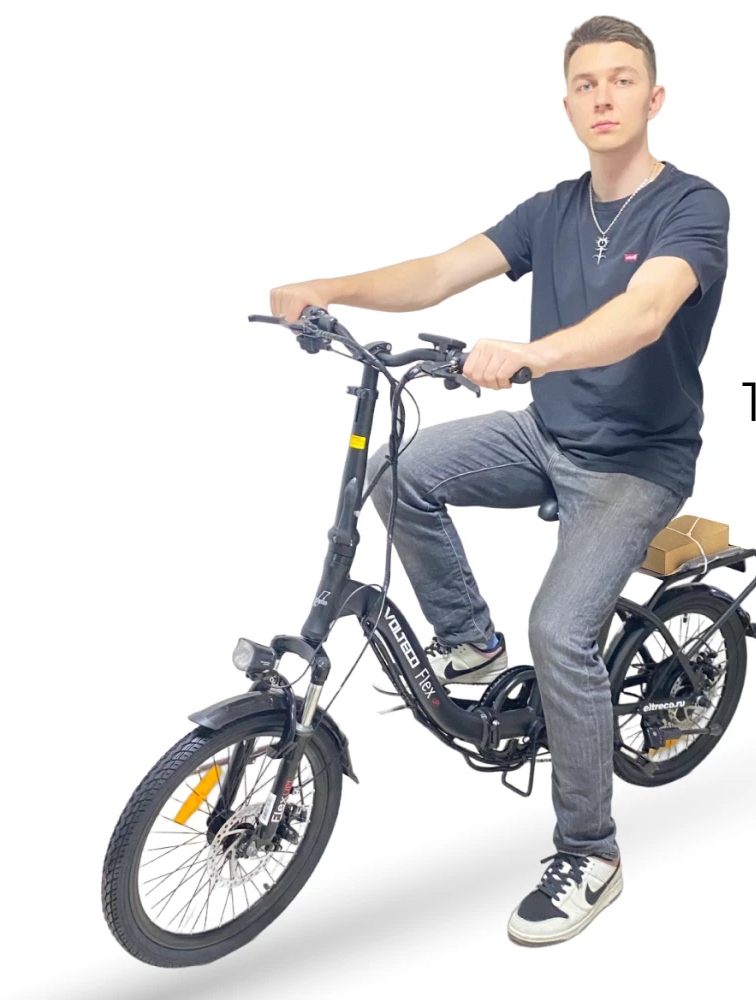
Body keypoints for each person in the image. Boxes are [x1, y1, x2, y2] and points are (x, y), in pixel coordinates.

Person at [269, 14, 729, 946]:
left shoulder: (693, 205)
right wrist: (328, 288)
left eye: (622, 80)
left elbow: (646, 312)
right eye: (587, 83)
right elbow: (441, 271)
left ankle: (591, 853)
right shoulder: (551, 211)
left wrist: (531, 353)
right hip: (545, 432)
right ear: (568, 105)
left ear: (654, 98)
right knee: (398, 473)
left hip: (637, 461)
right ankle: (470, 647)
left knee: (559, 632)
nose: (604, 97)